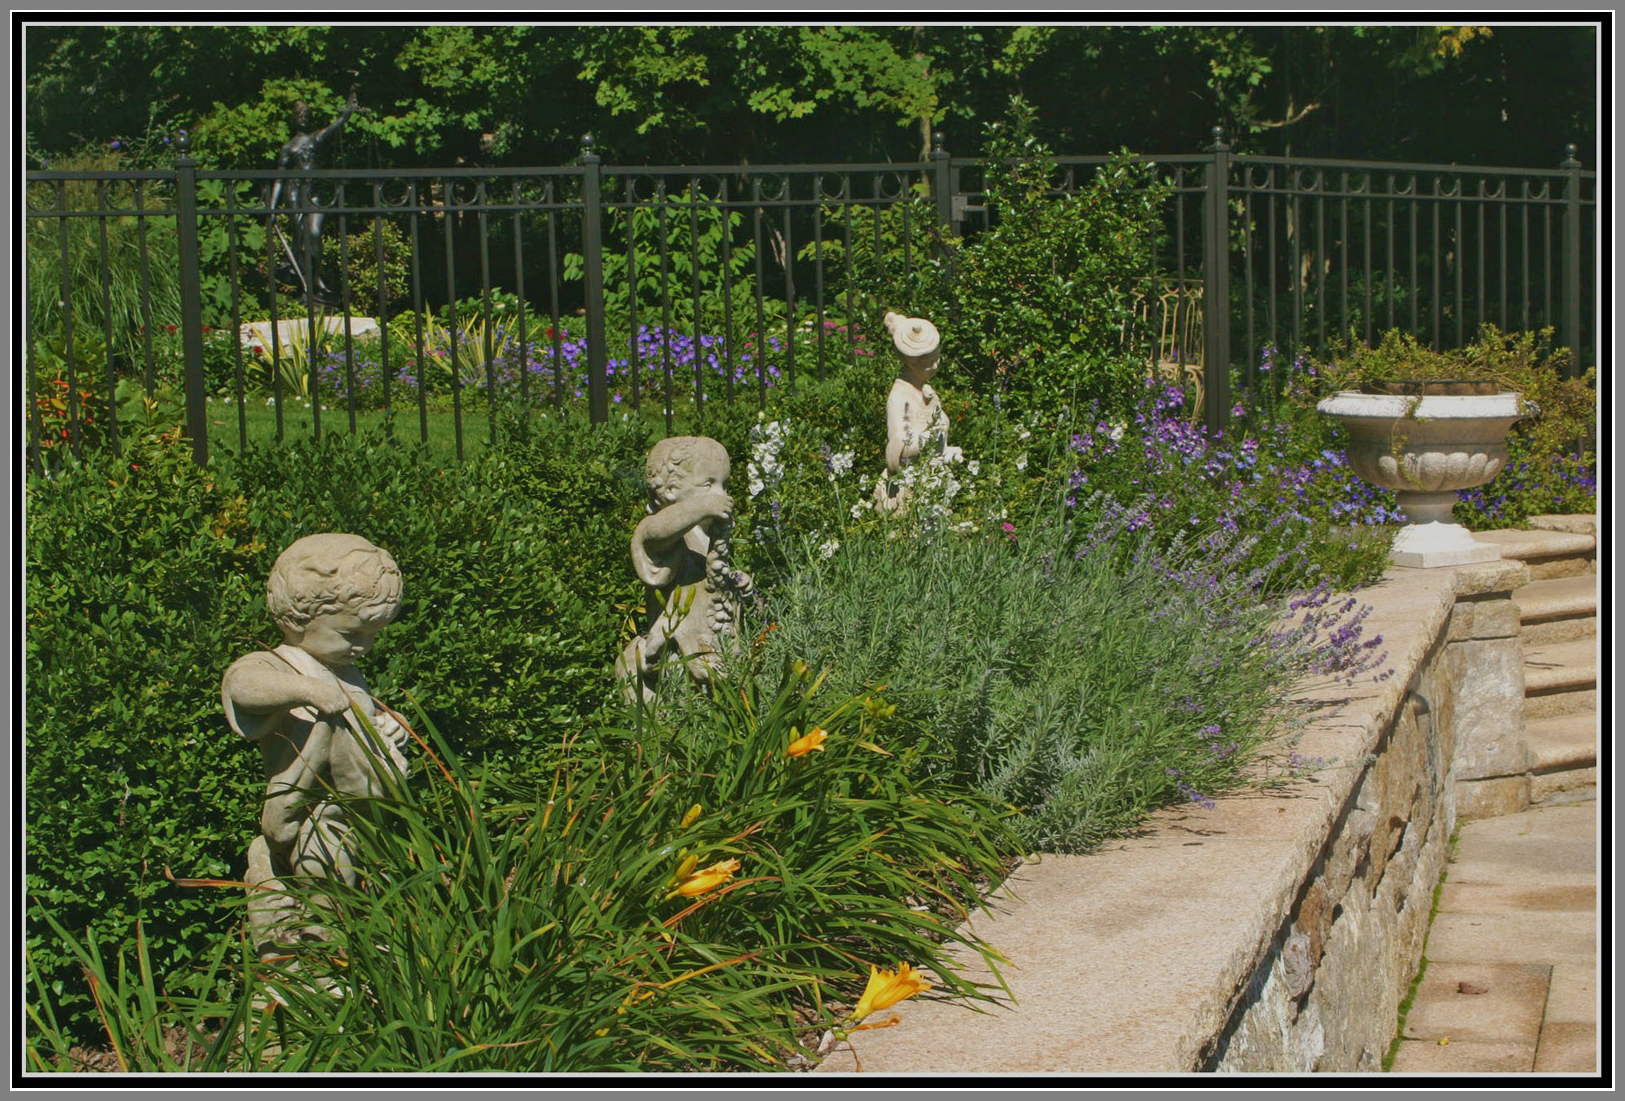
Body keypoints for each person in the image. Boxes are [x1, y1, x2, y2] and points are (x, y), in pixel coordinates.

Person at [221, 532, 408, 954]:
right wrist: (308, 690)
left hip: (356, 814)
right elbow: (243, 686)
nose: (365, 647)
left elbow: (364, 720)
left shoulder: (344, 670)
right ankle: (314, 964)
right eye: (352, 634)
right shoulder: (283, 664)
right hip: (302, 814)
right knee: (321, 875)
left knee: (347, 886)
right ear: (300, 616)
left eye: (374, 635)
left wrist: (391, 726)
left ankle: (338, 955)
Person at [617, 437, 755, 703]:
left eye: (724, 485)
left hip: (714, 653)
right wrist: (702, 506)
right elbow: (657, 531)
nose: (721, 495)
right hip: (675, 655)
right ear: (670, 491)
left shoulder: (707, 539)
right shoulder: (666, 535)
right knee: (681, 716)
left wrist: (738, 585)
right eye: (708, 485)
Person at [268, 86, 359, 305]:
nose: (303, 119)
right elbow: (279, 179)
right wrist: (271, 208)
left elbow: (338, 124)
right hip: (294, 193)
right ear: (294, 120)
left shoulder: (316, 138)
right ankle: (308, 287)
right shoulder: (288, 147)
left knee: (315, 233)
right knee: (300, 241)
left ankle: (316, 279)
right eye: (299, 116)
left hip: (314, 192)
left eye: (306, 115)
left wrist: (350, 101)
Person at [874, 311, 962, 513]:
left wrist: (947, 452)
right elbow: (896, 451)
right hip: (912, 490)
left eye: (936, 358)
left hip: (932, 487)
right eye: (929, 361)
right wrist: (928, 439)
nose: (936, 365)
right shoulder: (900, 396)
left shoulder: (926, 390)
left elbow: (939, 436)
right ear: (910, 362)